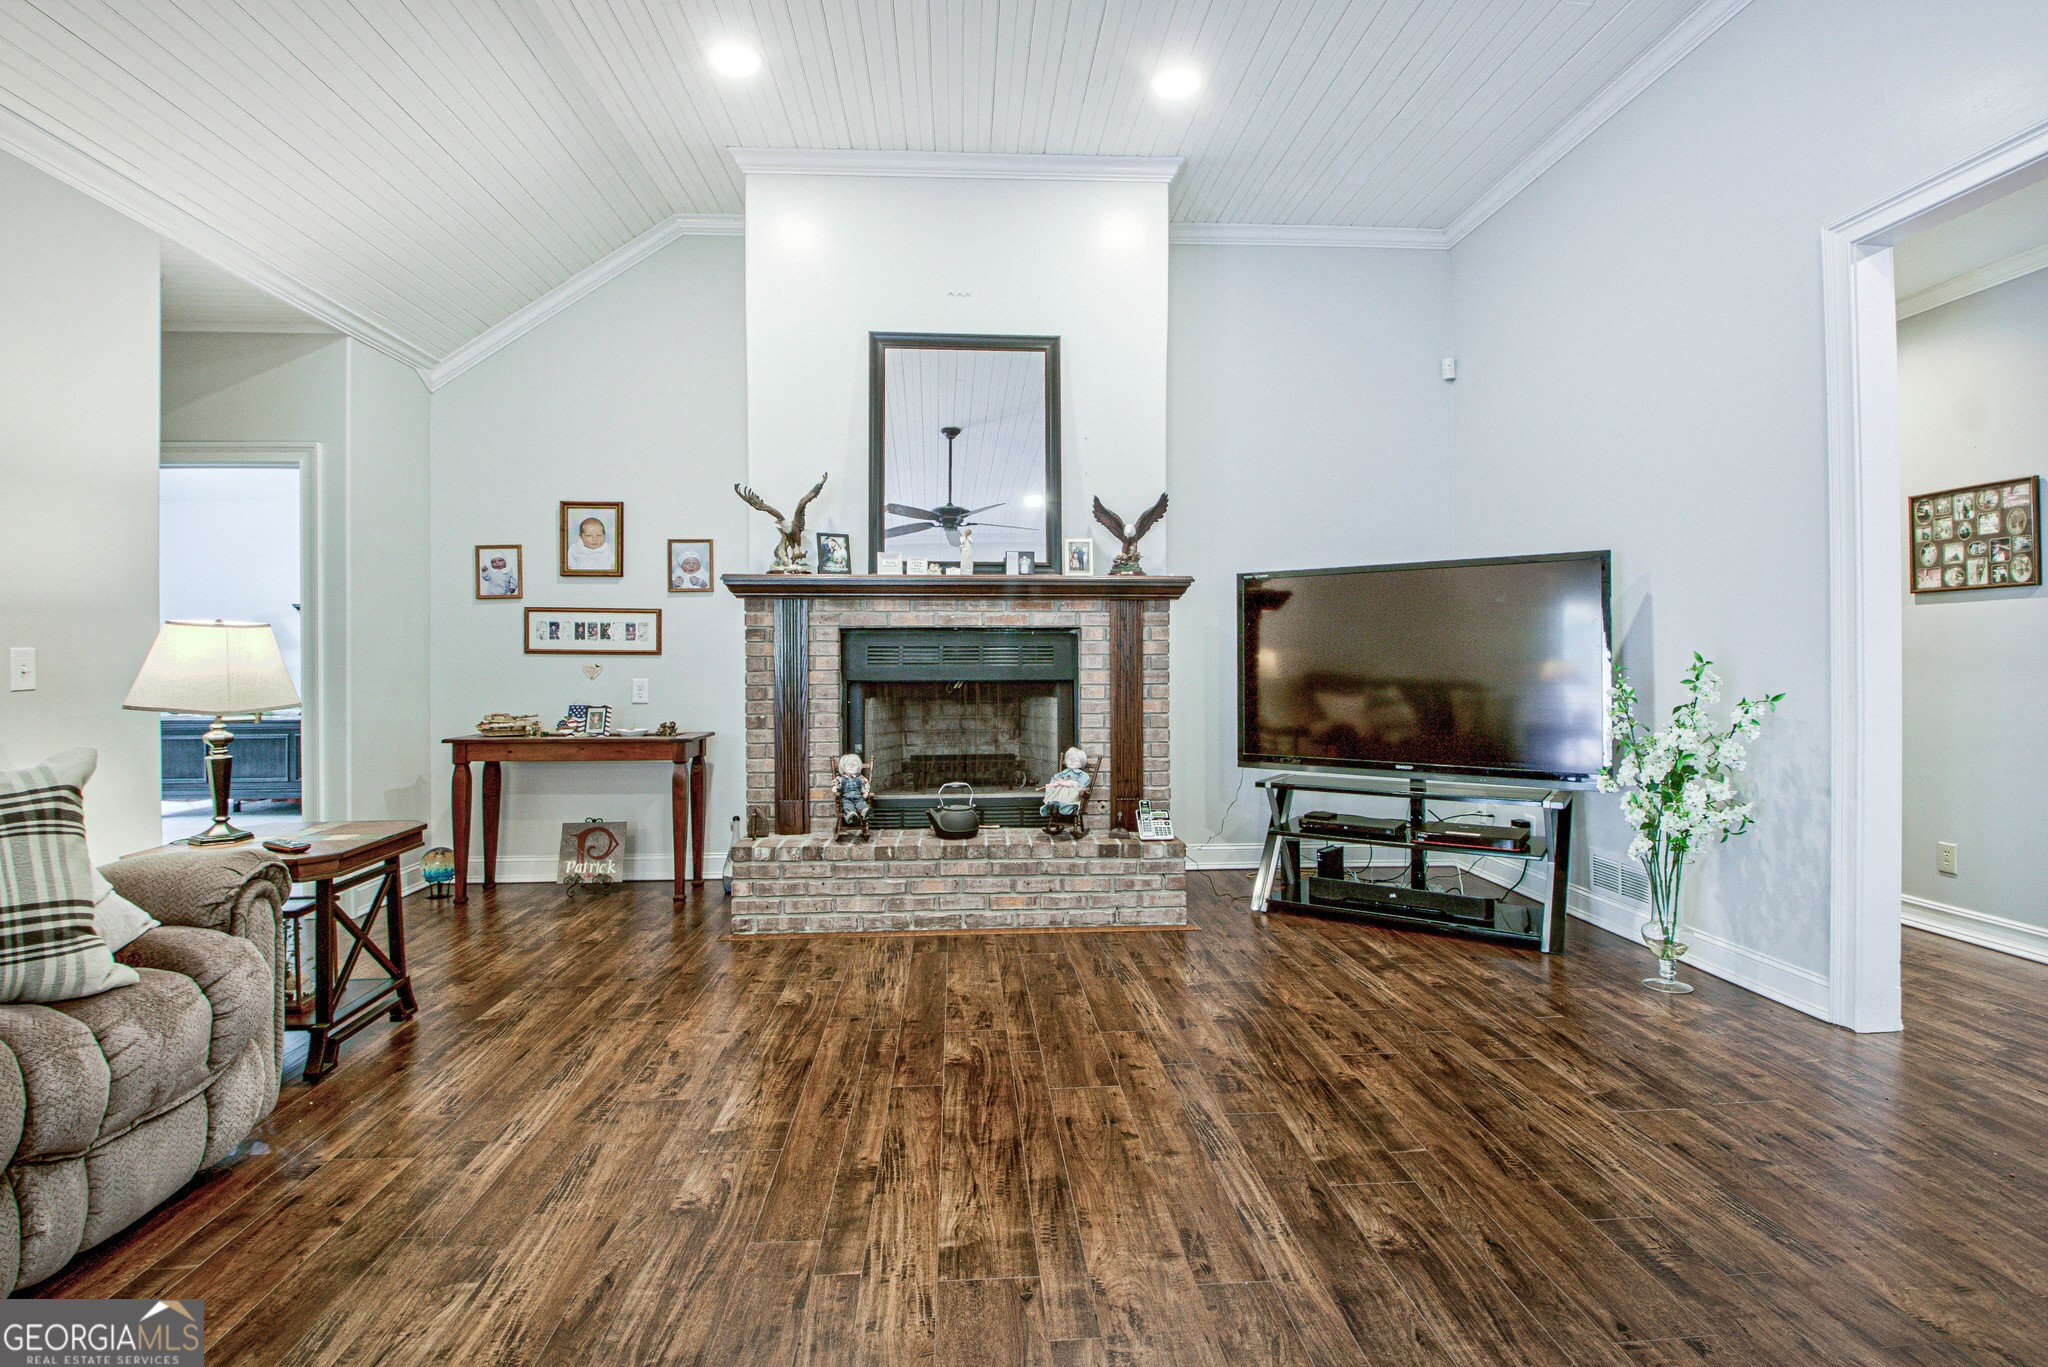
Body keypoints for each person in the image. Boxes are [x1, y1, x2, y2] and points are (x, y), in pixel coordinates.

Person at [1041, 746, 1091, 817]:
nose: (1072, 762)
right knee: (1056, 787)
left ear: (1080, 764)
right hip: (1061, 794)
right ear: (1065, 760)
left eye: (1075, 760)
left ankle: (1064, 806)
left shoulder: (1082, 775)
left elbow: (1082, 785)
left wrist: (1068, 783)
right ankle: (1056, 804)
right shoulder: (1063, 773)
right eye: (1069, 759)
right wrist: (1057, 783)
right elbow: (1055, 779)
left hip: (1073, 796)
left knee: (1068, 789)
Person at [835, 753, 871, 825]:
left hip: (859, 798)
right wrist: (835, 788)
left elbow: (866, 784)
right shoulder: (841, 779)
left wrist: (866, 792)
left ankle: (866, 812)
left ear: (858, 767)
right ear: (843, 768)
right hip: (846, 799)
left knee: (862, 804)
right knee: (847, 806)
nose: (851, 767)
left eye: (854, 765)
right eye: (848, 765)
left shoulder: (860, 778)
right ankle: (852, 816)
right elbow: (835, 783)